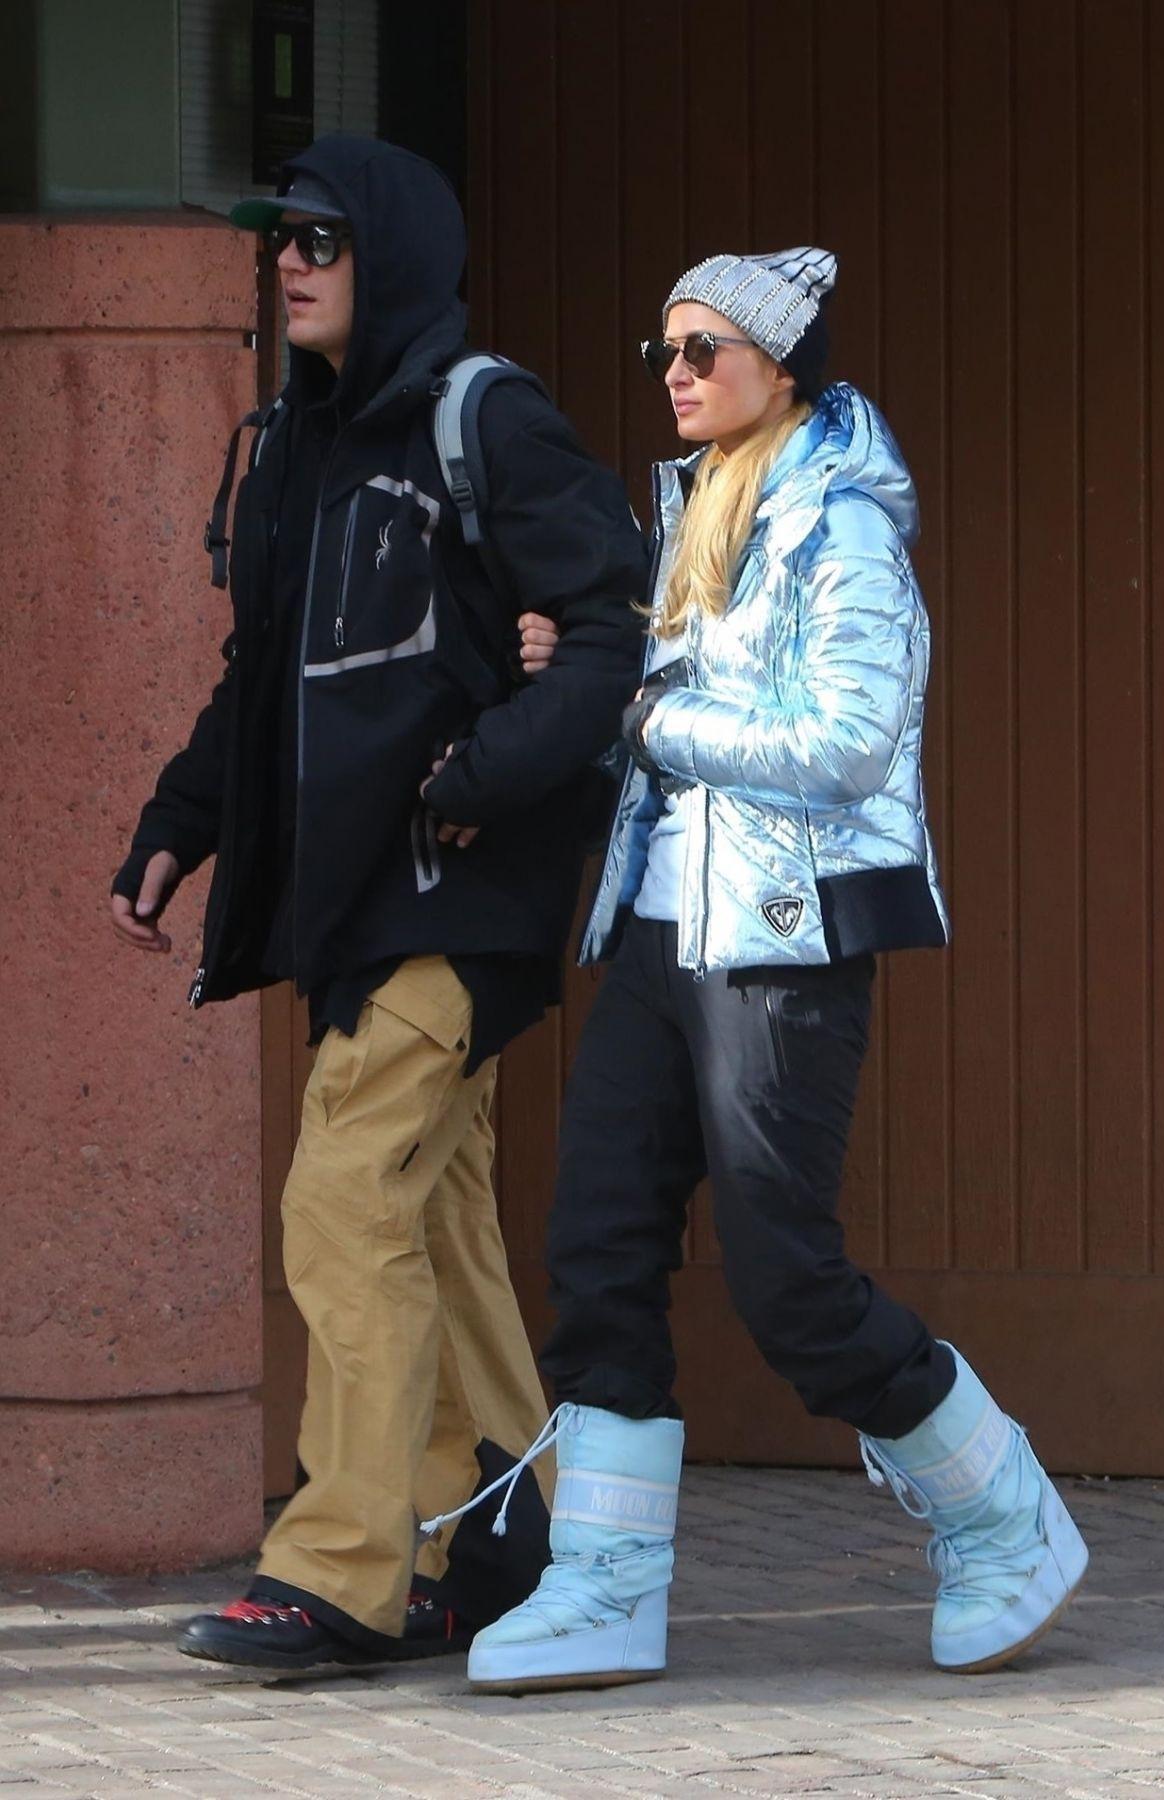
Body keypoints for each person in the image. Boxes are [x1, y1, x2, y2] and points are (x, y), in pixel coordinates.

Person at [443, 247, 1089, 1693]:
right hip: (659, 927)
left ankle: (1005, 1515)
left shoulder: (841, 528)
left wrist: (646, 713)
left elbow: (848, 744)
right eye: (663, 351)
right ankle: (604, 1584)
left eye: (705, 349)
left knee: (785, 1277)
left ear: (781, 367)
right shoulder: (692, 514)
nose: (673, 373)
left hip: (787, 937)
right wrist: (585, 675)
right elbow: (661, 711)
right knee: (598, 1246)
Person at [109, 133, 646, 1672]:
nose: (288, 261)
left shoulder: (488, 418)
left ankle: (342, 1562)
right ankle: (495, 1528)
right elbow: (260, 680)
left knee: (342, 1198)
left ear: (391, 255)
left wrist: (489, 766)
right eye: (278, 237)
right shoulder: (296, 445)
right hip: (355, 900)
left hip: (462, 893)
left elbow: (608, 630)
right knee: (433, 1212)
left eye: (321, 239)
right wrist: (179, 823)